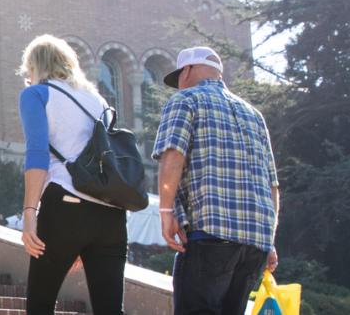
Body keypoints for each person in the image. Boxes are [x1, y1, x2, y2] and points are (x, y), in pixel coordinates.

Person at [152, 46, 281, 315]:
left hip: (210, 234)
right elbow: (272, 185)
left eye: (178, 78)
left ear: (187, 71)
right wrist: (269, 241)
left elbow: (173, 155)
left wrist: (165, 211)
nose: (178, 85)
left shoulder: (185, 100)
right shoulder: (254, 115)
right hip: (254, 244)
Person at [15, 35, 128, 315]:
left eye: (28, 72)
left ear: (35, 67)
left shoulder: (37, 94)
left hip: (65, 205)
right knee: (111, 309)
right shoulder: (98, 99)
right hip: (111, 212)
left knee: (40, 305)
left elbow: (38, 154)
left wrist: (29, 213)